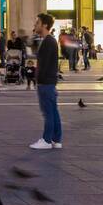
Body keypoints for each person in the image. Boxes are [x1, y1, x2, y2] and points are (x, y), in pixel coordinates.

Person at [30, 13, 62, 150]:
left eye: (37, 23)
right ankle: (56, 139)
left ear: (44, 25)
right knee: (53, 111)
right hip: (49, 81)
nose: (35, 25)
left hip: (46, 82)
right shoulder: (49, 41)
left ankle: (47, 140)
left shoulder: (48, 41)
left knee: (48, 112)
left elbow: (45, 63)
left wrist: (39, 79)